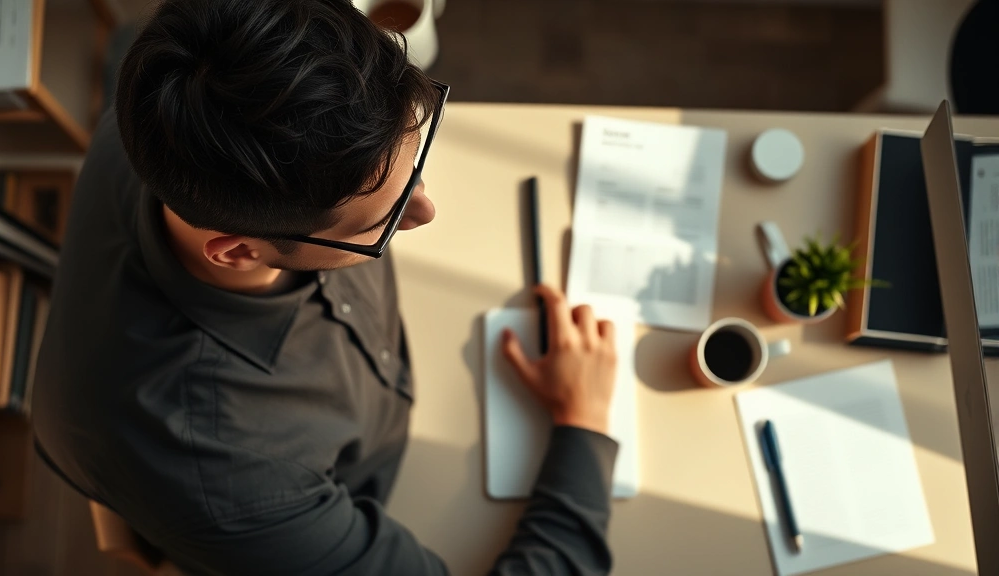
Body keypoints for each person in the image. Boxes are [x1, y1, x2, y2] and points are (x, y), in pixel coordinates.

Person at [31, 0, 620, 574]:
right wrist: (584, 426)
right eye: (379, 224)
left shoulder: (172, 107)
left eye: (412, 167)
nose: (425, 211)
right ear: (240, 252)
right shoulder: (235, 475)